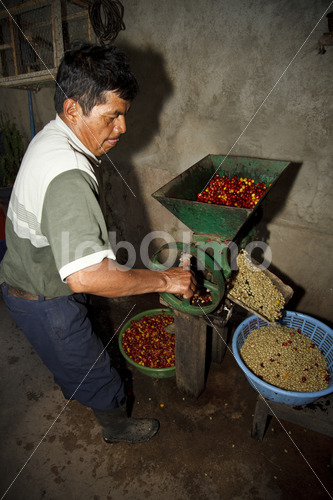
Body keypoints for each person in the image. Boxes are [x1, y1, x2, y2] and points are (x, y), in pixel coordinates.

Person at [0, 43, 196, 444]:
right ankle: (115, 426)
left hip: (30, 274)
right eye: (113, 116)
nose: (122, 128)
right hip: (42, 297)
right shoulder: (69, 172)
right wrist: (167, 281)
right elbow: (87, 276)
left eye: (123, 115)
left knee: (74, 355)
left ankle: (71, 376)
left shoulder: (52, 136)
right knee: (94, 370)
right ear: (74, 109)